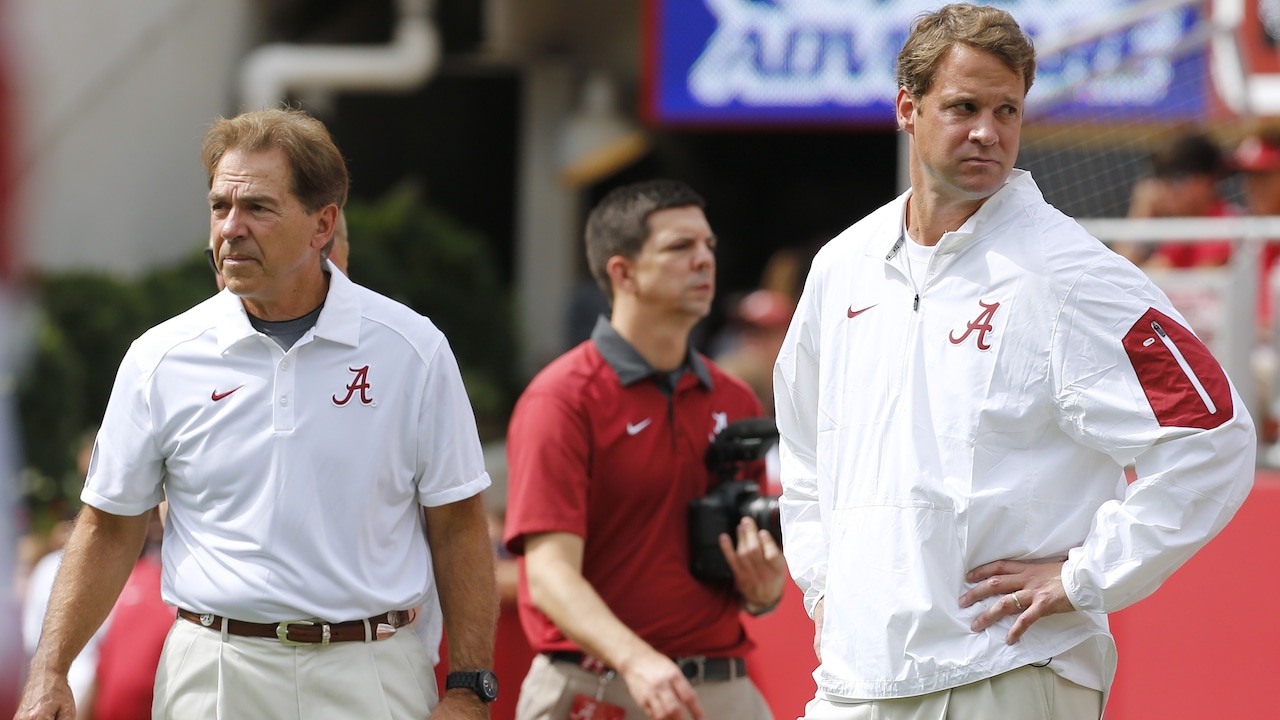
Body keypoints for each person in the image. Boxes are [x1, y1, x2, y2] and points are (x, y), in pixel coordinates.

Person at [773, 5, 1256, 720]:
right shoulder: (841, 267)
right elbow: (806, 455)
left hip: (1007, 673)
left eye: (1008, 110)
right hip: (852, 681)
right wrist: (826, 584)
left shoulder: (1075, 274)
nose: (987, 133)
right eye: (964, 106)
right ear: (909, 108)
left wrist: (1087, 577)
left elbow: (1213, 436)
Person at [17, 108, 498, 720]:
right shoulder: (159, 357)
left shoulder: (413, 350)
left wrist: (469, 685)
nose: (231, 228)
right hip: (213, 670)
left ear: (323, 224)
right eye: (220, 207)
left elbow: (457, 524)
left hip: (372, 672)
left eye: (259, 209)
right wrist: (50, 670)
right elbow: (109, 526)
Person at [503, 179, 787, 720]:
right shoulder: (561, 398)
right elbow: (548, 576)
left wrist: (763, 589)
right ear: (622, 272)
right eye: (680, 248)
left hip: (725, 691)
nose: (704, 261)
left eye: (709, 247)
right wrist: (637, 661)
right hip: (600, 689)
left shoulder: (736, 398)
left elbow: (750, 580)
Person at [1119, 130, 1240, 268]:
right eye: (1162, 177)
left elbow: (1199, 283)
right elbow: (1120, 277)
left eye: (1177, 177)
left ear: (1206, 180)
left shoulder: (1223, 223)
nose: (1166, 187)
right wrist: (1140, 217)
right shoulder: (1184, 227)